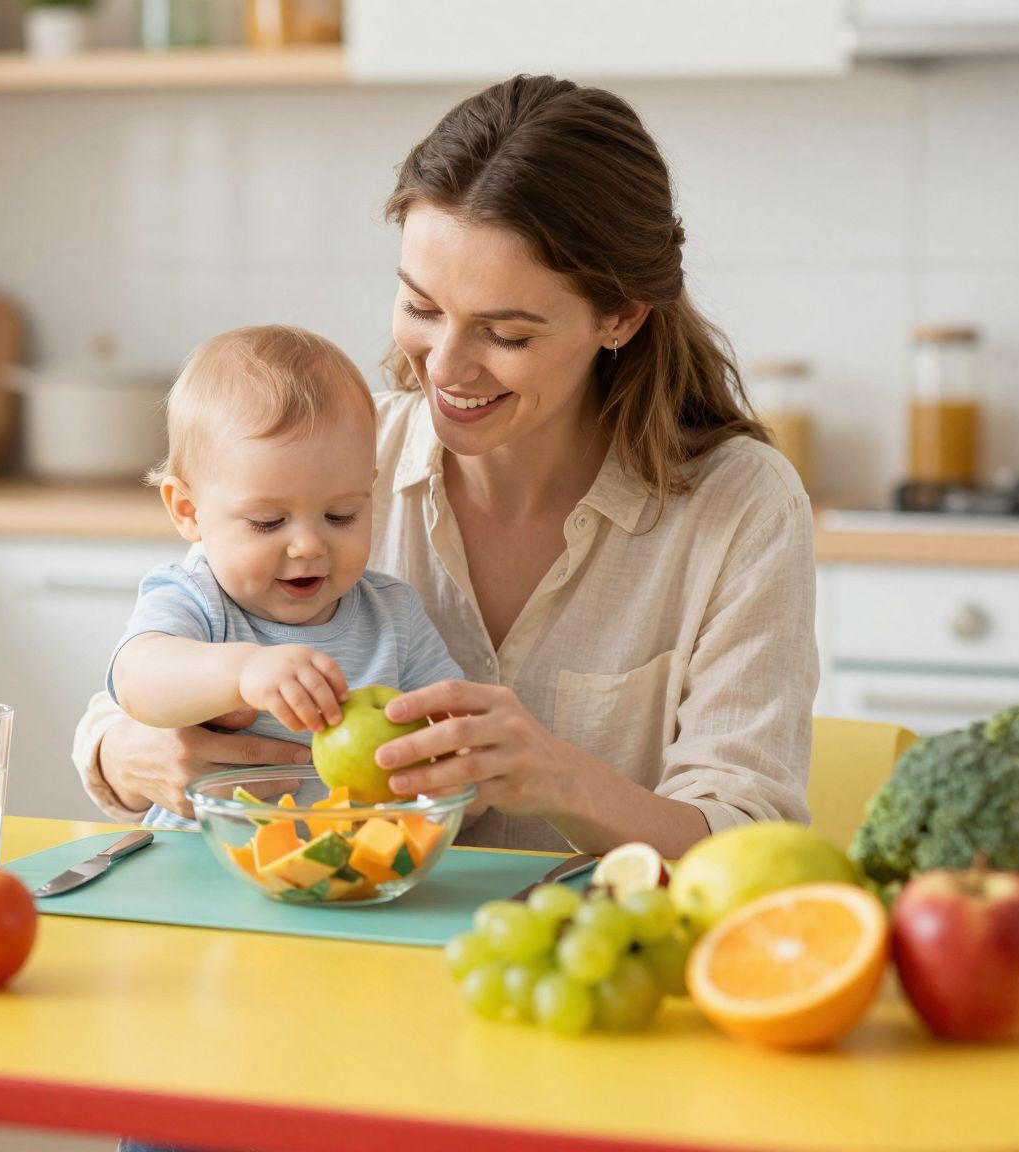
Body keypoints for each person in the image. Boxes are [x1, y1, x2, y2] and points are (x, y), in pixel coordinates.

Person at [74, 74, 818, 863]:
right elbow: (148, 672)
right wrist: (125, 753)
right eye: (422, 309)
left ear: (621, 316)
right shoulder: (340, 455)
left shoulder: (739, 506)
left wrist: (559, 779)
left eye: (506, 334)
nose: (445, 367)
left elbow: (749, 841)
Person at [107, 324, 463, 830]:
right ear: (187, 510)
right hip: (196, 870)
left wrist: (450, 770)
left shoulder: (394, 615)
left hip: (353, 868)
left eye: (341, 515)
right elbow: (136, 680)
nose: (309, 545)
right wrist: (243, 672)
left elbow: (455, 733)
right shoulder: (196, 599)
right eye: (268, 522)